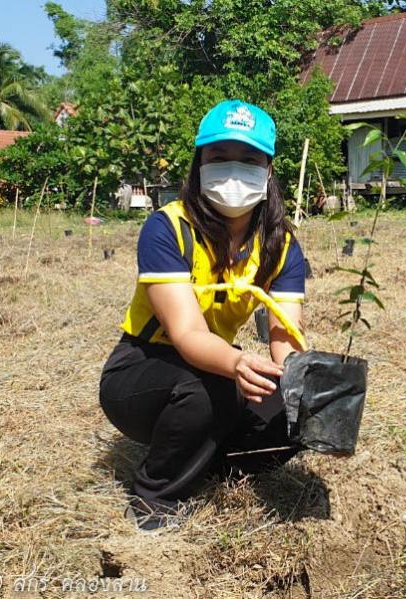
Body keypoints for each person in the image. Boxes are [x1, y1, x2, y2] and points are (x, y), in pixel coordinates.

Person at [98, 100, 307, 531]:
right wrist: (235, 364)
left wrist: (305, 389)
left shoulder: (280, 245)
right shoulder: (168, 227)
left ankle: (204, 461)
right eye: (218, 156)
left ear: (268, 169)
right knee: (213, 386)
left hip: (211, 365)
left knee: (291, 417)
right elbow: (188, 332)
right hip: (141, 369)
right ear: (198, 164)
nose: (233, 169)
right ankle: (154, 497)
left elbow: (285, 335)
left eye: (249, 159)